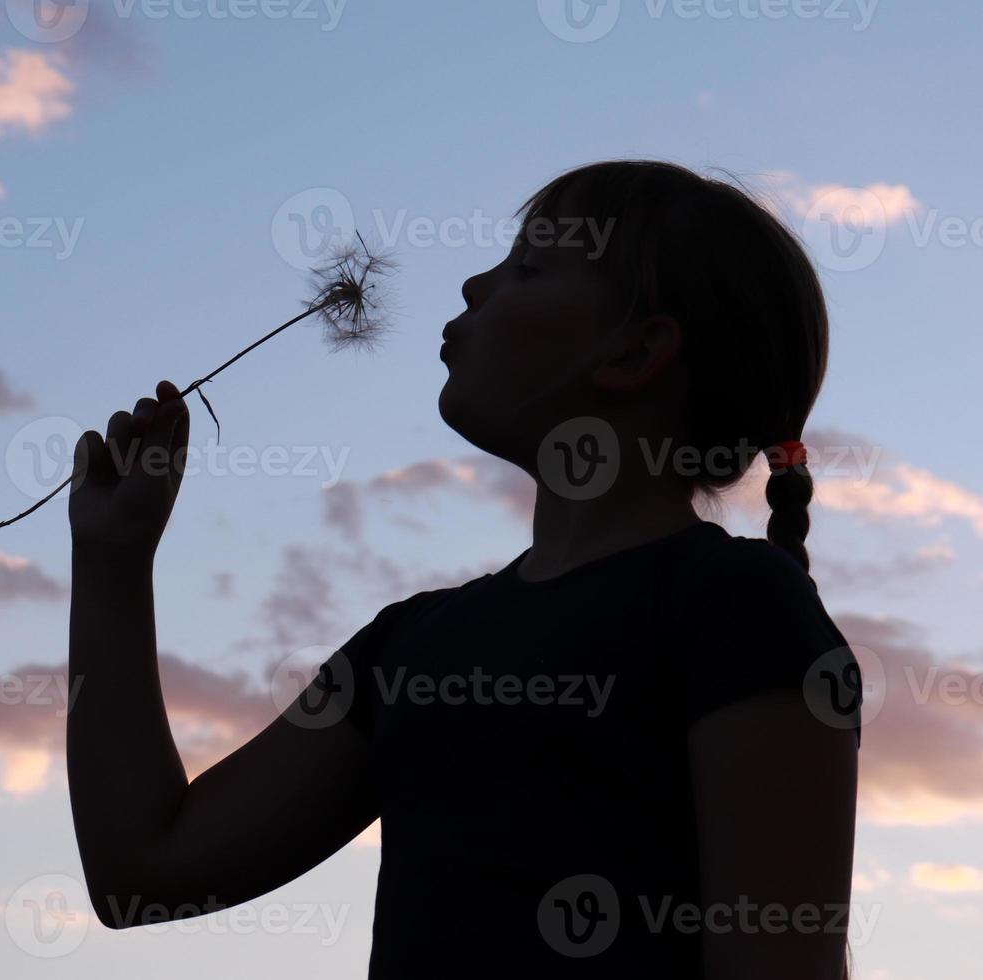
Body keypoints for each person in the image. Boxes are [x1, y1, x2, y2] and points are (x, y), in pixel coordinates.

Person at [65, 159, 863, 978]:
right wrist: (112, 562)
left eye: (527, 267)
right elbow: (145, 871)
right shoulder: (408, 649)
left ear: (634, 351)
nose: (476, 285)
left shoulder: (741, 610)